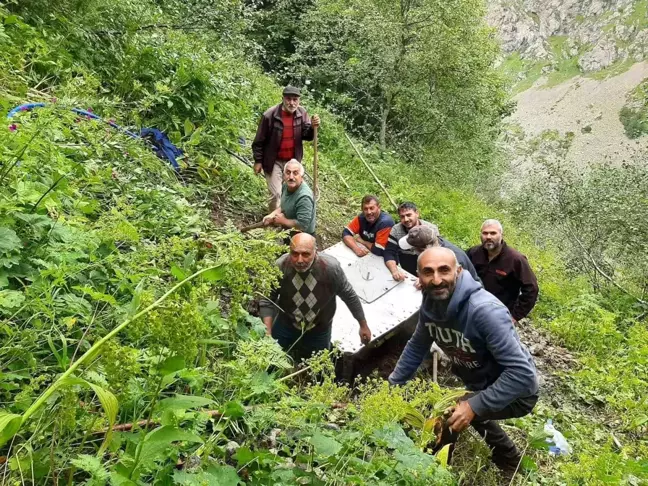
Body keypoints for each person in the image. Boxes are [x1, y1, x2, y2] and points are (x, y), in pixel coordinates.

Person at [388, 247, 538, 478]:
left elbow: (522, 374)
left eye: (444, 270)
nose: (436, 280)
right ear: (419, 276)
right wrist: (393, 386)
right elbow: (417, 346)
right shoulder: (431, 305)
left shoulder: (484, 311)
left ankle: (432, 473)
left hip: (518, 392)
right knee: (471, 409)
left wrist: (472, 406)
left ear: (458, 271)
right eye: (428, 272)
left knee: (450, 415)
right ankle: (509, 459)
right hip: (480, 382)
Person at [259, 234, 372, 362]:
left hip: (319, 328)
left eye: (305, 254)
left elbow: (349, 295)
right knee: (270, 360)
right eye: (294, 254)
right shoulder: (281, 266)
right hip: (286, 323)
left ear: (315, 252)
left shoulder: (330, 269)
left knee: (319, 366)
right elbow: (267, 299)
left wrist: (363, 325)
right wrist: (267, 333)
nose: (299, 260)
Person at [252, 86, 321, 211]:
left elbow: (307, 135)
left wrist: (312, 127)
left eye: (295, 99)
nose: (292, 103)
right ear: (283, 98)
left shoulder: (302, 113)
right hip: (273, 161)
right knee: (275, 194)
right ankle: (273, 222)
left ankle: (285, 219)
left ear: (299, 100)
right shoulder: (270, 115)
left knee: (290, 193)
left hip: (292, 162)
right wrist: (258, 161)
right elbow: (259, 140)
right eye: (289, 99)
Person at [467, 219, 539, 323]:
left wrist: (515, 316)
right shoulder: (473, 253)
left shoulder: (516, 260)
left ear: (501, 235)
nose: (488, 237)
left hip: (499, 317)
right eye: (485, 233)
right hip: (472, 311)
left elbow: (531, 288)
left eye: (493, 233)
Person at [398, 224, 480, 283]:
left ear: (423, 249)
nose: (414, 252)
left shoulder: (454, 260)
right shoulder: (436, 243)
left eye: (414, 249)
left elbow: (454, 289)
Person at [263, 160, 316, 235]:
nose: (291, 177)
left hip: (303, 237)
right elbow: (284, 206)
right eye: (288, 173)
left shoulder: (304, 197)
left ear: (301, 177)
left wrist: (283, 221)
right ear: (284, 175)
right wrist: (272, 215)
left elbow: (302, 225)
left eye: (295, 173)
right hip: (288, 231)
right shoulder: (286, 186)